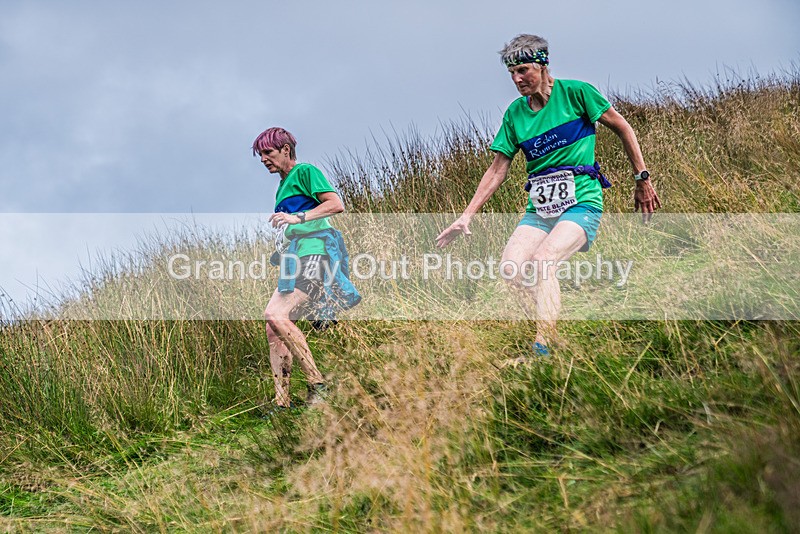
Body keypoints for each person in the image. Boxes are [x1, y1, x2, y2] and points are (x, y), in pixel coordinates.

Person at [436, 34, 660, 358]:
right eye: (511, 73)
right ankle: (552, 326)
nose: (517, 79)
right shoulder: (515, 114)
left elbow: (623, 127)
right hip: (540, 208)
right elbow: (498, 168)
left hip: (582, 199)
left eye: (523, 70)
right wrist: (466, 215)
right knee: (510, 270)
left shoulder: (577, 93)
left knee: (544, 262)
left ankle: (543, 346)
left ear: (542, 64)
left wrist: (642, 179)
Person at [253, 127, 359, 411]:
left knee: (275, 313)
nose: (263, 159)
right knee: (273, 327)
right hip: (294, 258)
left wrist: (298, 217)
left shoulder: (305, 171)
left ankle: (317, 383)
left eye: (268, 152)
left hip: (314, 253)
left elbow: (336, 205)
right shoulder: (283, 184)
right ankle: (282, 403)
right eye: (260, 154)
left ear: (286, 149)